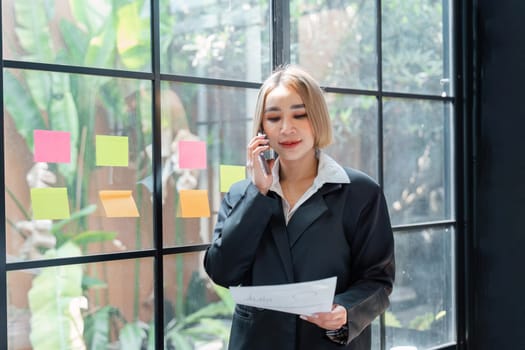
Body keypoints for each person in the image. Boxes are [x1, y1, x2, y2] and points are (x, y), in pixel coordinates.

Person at [204, 65, 395, 350]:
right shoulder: (242, 194)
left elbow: (378, 280)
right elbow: (222, 271)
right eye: (273, 118)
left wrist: (344, 311)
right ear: (261, 129)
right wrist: (258, 194)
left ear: (317, 118)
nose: (286, 128)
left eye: (300, 114)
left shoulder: (359, 193)